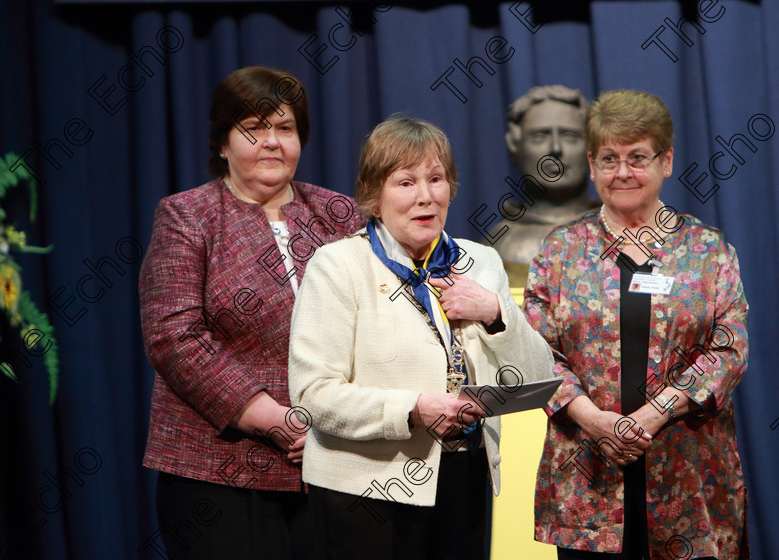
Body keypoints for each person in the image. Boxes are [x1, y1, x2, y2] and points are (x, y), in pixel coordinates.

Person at [288, 116, 555, 560]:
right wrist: (414, 408)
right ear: (374, 196)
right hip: (364, 490)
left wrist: (494, 313)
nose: (426, 196)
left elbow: (538, 374)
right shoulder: (337, 265)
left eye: (436, 179)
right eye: (406, 182)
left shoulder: (481, 261)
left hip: (463, 478)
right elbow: (314, 396)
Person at [139, 66, 365, 560]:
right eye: (253, 129)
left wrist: (333, 427)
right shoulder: (187, 216)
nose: (271, 142)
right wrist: (278, 420)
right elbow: (173, 337)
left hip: (335, 463)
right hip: (219, 469)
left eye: (284, 128)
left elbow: (377, 324)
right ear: (222, 143)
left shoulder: (340, 214)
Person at [524, 89, 749, 559]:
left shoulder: (709, 251)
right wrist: (593, 419)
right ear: (591, 164)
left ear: (666, 161)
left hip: (689, 485)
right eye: (609, 158)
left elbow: (729, 351)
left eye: (637, 157)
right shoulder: (560, 251)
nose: (622, 172)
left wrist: (655, 413)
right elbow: (535, 354)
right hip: (588, 485)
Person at [486, 85, 599, 287]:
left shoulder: (620, 236)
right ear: (514, 145)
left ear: (591, 147)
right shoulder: (494, 245)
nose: (555, 149)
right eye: (540, 137)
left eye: (569, 136)